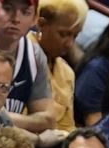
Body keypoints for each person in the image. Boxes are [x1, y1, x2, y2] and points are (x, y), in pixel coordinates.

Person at [0, 0, 59, 134]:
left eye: (25, 12)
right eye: (7, 9)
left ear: (34, 19)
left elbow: (48, 119)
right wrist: (34, 138)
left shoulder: (34, 55)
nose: (15, 19)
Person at [33, 0, 87, 135]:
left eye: (75, 36)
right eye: (63, 34)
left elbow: (68, 127)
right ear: (41, 24)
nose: (69, 44)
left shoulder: (67, 72)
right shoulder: (20, 55)